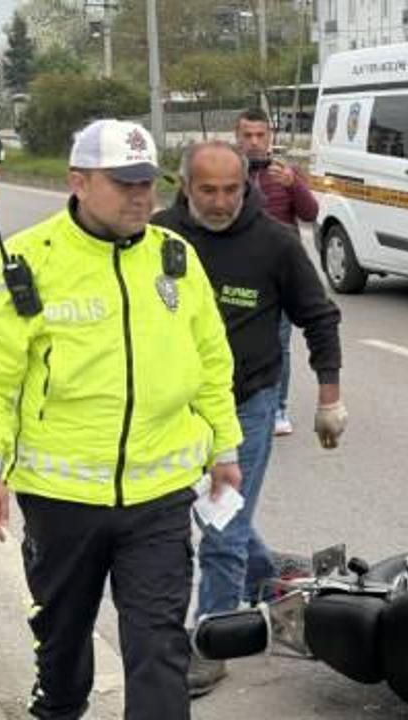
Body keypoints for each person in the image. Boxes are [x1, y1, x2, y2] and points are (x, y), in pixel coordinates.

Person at [0, 119, 243, 719]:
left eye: (148, 184)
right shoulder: (25, 264)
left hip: (159, 496)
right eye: (124, 184)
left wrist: (225, 448)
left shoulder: (175, 258)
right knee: (62, 644)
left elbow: (212, 361)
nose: (142, 196)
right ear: (79, 182)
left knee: (159, 647)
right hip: (62, 499)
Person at [152, 140, 345, 696]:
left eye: (231, 189)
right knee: (213, 521)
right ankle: (272, 576)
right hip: (172, 410)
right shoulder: (160, 239)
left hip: (246, 407)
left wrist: (329, 399)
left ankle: (209, 642)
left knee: (220, 526)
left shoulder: (275, 244)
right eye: (206, 190)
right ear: (185, 186)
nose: (219, 202)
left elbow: (319, 316)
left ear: (248, 186)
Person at [233, 107, 319, 436]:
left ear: (270, 137)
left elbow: (310, 213)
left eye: (260, 135)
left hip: (280, 276)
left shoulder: (286, 172)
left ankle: (277, 408)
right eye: (247, 135)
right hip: (239, 273)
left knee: (279, 344)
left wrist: (294, 185)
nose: (254, 142)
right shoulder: (228, 174)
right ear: (237, 137)